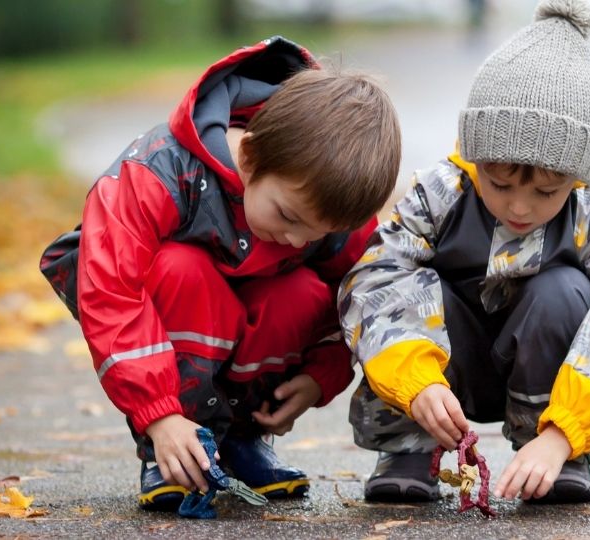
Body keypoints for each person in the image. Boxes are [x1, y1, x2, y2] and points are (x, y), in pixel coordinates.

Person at [39, 36, 401, 511]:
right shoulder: (158, 172)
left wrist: (320, 374)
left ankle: (241, 440)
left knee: (301, 291)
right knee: (179, 269)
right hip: (175, 315)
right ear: (249, 158)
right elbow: (113, 289)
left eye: (317, 234)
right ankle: (172, 449)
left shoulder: (325, 201)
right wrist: (158, 414)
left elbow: (360, 289)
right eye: (289, 218)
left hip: (255, 330)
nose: (297, 241)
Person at [338, 0, 590, 504]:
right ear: (475, 157)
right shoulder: (441, 195)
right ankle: (407, 445)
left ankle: (550, 450)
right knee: (409, 281)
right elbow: (374, 279)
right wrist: (414, 381)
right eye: (500, 183)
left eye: (545, 193)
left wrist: (563, 435)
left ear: (577, 178)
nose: (519, 206)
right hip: (444, 368)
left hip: (545, 376)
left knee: (565, 290)